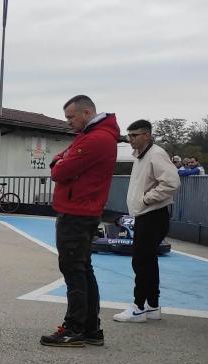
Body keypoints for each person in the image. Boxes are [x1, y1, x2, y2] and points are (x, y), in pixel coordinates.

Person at [41, 95, 117, 347]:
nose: (68, 122)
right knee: (83, 268)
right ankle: (91, 328)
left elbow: (60, 170)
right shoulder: (93, 136)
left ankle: (74, 328)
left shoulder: (95, 139)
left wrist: (61, 162)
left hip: (77, 212)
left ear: (87, 113)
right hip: (84, 210)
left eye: (71, 117)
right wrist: (63, 159)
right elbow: (61, 157)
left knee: (74, 270)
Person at [113, 119, 181, 323]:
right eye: (129, 135)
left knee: (141, 261)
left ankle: (138, 308)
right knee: (148, 261)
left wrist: (146, 199)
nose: (130, 139)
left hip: (153, 215)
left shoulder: (156, 154)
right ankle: (152, 306)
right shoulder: (141, 156)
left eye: (134, 135)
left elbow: (172, 182)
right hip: (147, 215)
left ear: (147, 136)